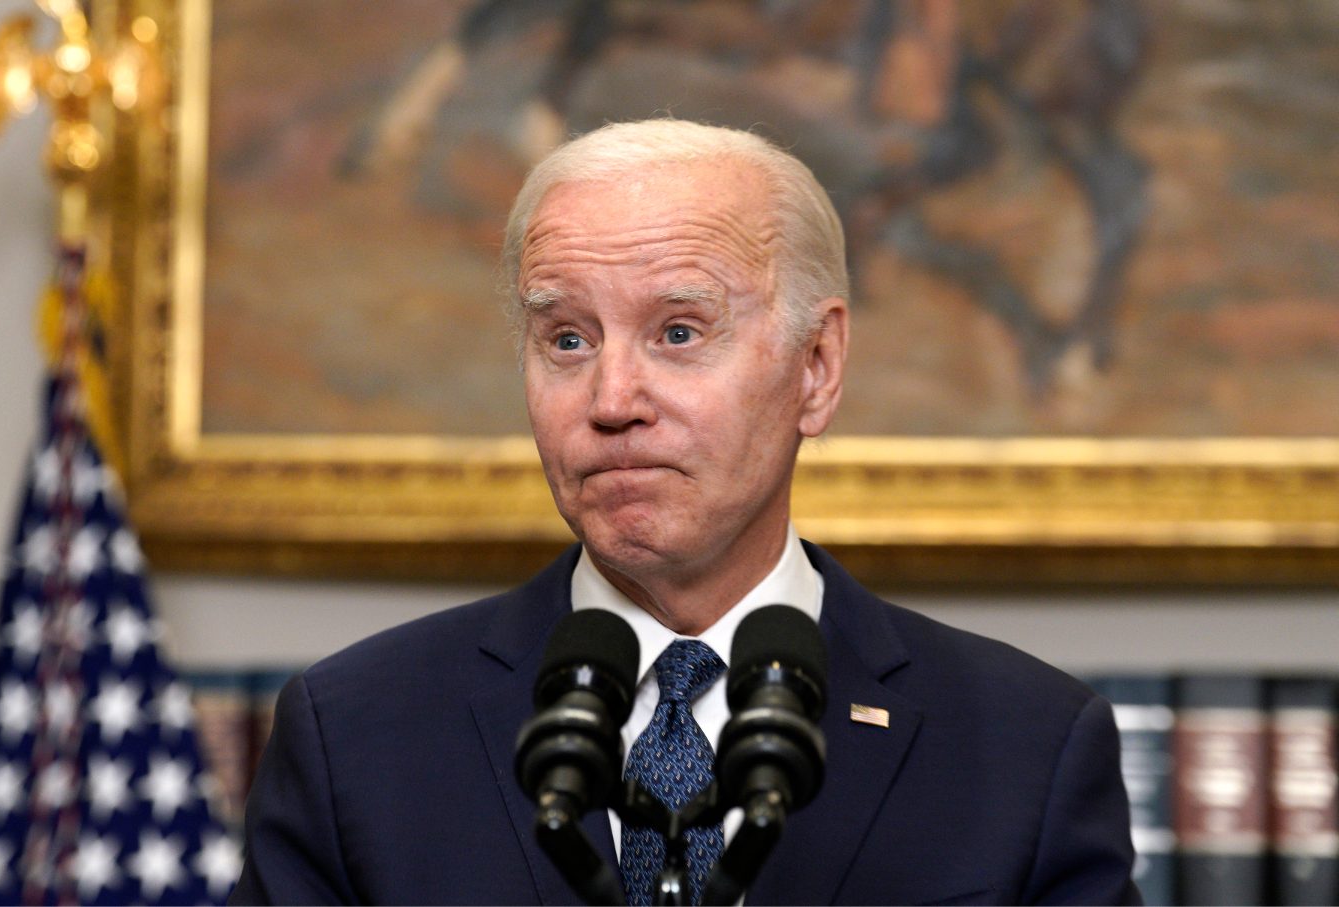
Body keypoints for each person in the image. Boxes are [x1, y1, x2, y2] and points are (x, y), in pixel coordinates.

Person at [230, 119, 1139, 906]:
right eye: (567, 339)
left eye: (678, 332)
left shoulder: (1028, 747)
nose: (612, 397)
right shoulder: (355, 732)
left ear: (815, 367)